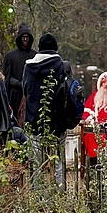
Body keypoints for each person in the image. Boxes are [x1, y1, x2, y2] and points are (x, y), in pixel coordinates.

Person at [22, 33, 72, 187]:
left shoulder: (28, 67)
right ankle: (59, 195)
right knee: (58, 161)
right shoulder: (63, 66)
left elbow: (25, 90)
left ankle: (37, 199)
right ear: (55, 49)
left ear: (39, 48)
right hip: (58, 122)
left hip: (34, 120)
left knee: (36, 163)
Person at [2, 23, 37, 127]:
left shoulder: (35, 55)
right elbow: (7, 77)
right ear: (19, 38)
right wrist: (17, 83)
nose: (25, 40)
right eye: (23, 37)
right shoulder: (10, 56)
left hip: (30, 95)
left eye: (27, 37)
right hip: (15, 95)